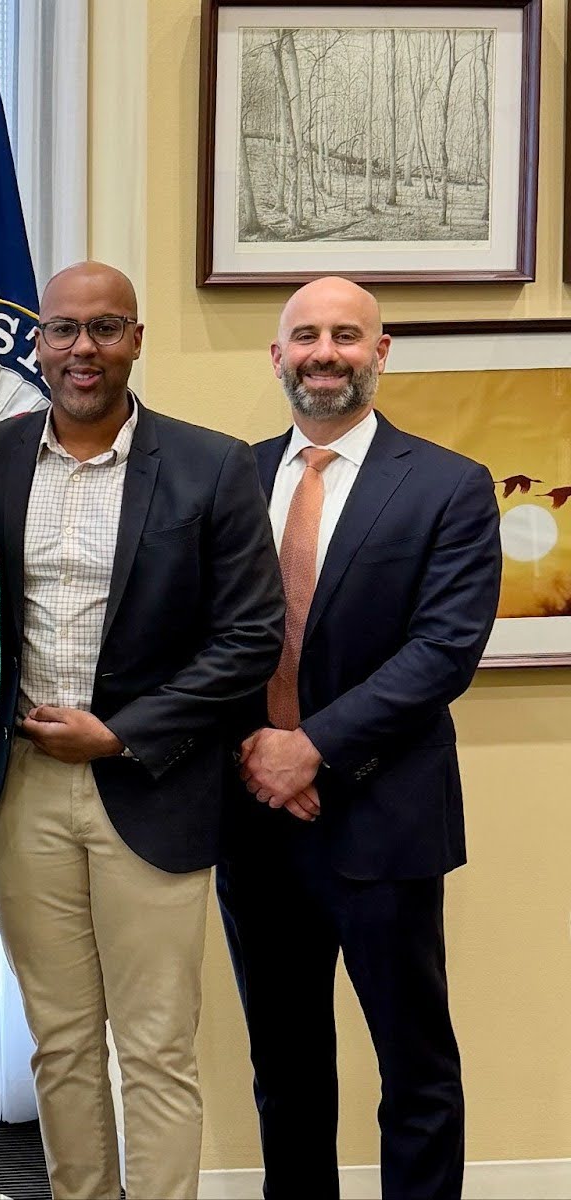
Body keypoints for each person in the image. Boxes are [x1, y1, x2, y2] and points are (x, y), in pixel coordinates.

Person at [0, 261, 284, 1200]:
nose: (82, 350)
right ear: (39, 343)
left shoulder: (212, 464)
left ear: (137, 338)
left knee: (156, 1046)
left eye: (104, 328)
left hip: (154, 785)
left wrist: (122, 733)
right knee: (60, 1043)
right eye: (63, 330)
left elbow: (251, 636)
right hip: (17, 789)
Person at [218, 277, 502, 1200]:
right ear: (277, 356)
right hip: (255, 825)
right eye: (305, 336)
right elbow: (200, 637)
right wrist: (257, 750)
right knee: (286, 1071)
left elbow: (444, 651)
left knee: (415, 1070)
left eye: (348, 335)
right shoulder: (230, 477)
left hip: (385, 819)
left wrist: (313, 747)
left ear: (382, 352)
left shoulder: (449, 486)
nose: (325, 353)